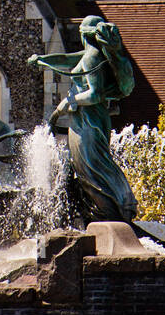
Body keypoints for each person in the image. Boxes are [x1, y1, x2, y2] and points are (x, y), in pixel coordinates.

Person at [28, 14, 137, 224]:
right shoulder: (90, 55)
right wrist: (42, 60)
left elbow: (94, 94)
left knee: (93, 166)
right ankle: (108, 209)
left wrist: (67, 104)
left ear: (83, 34)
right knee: (91, 166)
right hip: (86, 121)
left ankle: (112, 209)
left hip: (89, 122)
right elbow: (66, 59)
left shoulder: (92, 58)